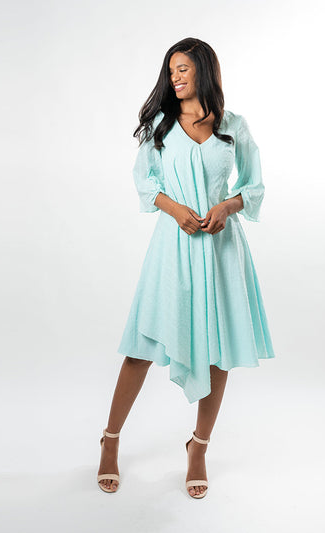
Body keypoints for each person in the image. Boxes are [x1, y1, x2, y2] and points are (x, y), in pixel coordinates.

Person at [97, 37, 276, 499]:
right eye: (171, 70)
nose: (175, 77)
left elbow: (254, 186)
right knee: (141, 346)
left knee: (218, 351)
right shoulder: (161, 126)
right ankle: (110, 439)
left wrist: (228, 206)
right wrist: (176, 209)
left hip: (221, 249)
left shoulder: (233, 126)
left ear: (203, 70)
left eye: (183, 69)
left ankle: (199, 447)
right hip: (173, 248)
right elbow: (144, 182)